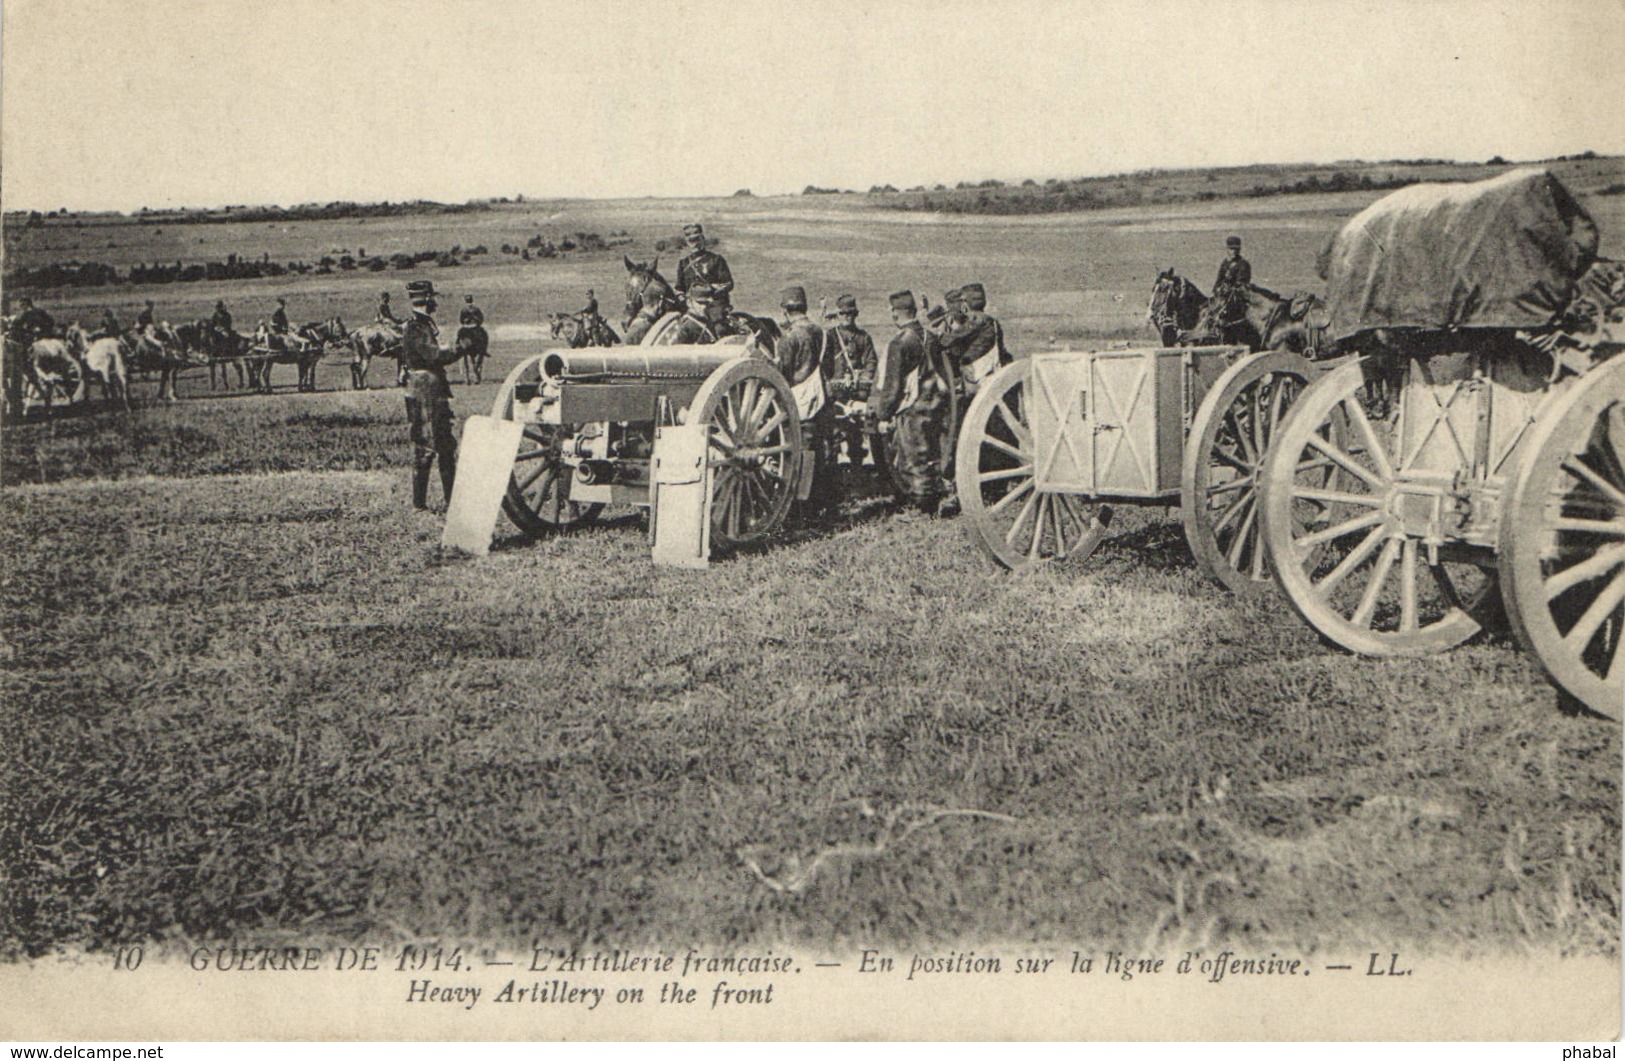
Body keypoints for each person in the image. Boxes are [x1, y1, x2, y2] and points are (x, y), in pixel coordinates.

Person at [871, 290, 951, 516]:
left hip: (911, 407)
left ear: (895, 313)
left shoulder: (900, 342)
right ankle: (931, 503)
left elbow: (892, 385)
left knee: (911, 457)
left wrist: (883, 414)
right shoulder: (931, 337)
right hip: (934, 403)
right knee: (930, 453)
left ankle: (921, 510)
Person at [400, 280, 462, 510]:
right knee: (427, 445)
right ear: (426, 299)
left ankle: (449, 501)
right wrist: (460, 349)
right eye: (432, 298)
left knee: (444, 445)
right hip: (426, 389)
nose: (435, 301)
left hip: (426, 388)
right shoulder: (416, 327)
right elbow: (433, 355)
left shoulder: (421, 325)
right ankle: (420, 505)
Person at [775, 285, 835, 513]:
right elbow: (828, 366)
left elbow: (782, 373)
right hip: (821, 397)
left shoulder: (789, 337)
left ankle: (802, 504)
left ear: (785, 310)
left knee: (802, 450)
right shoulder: (822, 332)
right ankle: (823, 501)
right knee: (821, 448)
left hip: (800, 399)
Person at [823, 294, 878, 465]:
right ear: (838, 315)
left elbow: (871, 361)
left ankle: (857, 465)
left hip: (857, 391)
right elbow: (824, 363)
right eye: (843, 314)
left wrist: (864, 379)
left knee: (856, 434)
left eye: (850, 314)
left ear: (855, 315)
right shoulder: (830, 337)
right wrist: (829, 383)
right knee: (833, 433)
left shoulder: (863, 337)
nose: (846, 317)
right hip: (836, 392)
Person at [674, 223, 734, 313]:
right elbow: (679, 288)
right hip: (692, 305)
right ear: (687, 242)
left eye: (697, 239)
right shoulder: (684, 263)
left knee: (717, 323)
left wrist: (712, 289)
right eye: (691, 241)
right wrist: (682, 298)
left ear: (703, 239)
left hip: (714, 303)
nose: (695, 244)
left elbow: (728, 283)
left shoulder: (716, 259)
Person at [1212, 236, 1253, 344]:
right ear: (1227, 249)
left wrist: (1229, 289)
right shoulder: (1225, 263)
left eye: (1236, 249)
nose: (1233, 251)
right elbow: (1218, 281)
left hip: (1236, 298)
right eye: (1231, 249)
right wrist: (1217, 289)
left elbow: (1242, 283)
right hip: (1223, 297)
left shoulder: (1243, 264)